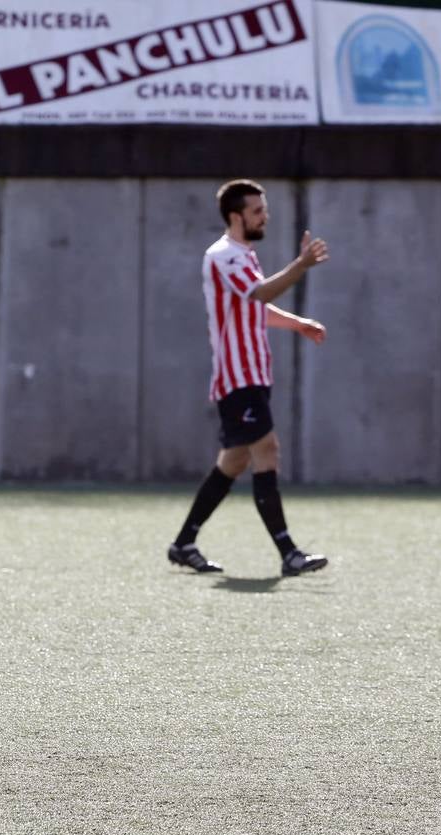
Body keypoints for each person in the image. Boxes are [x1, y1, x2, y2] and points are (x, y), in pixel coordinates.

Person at [167, 179, 330, 578]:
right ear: (236, 216)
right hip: (237, 378)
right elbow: (258, 295)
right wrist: (301, 265)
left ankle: (183, 543)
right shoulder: (223, 255)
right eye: (257, 210)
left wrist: (298, 324)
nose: (265, 215)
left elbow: (255, 308)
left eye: (264, 208)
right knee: (267, 449)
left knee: (232, 463)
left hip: (254, 375)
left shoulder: (245, 255)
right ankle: (289, 553)